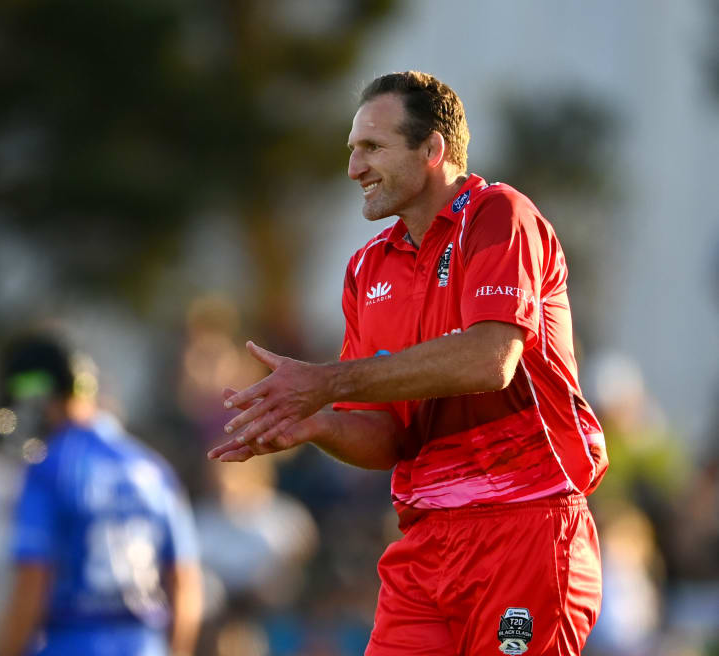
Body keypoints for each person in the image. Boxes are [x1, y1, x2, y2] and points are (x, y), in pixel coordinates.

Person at [208, 71, 609, 656]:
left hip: (527, 524)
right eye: (352, 150)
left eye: (372, 147)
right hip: (425, 545)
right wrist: (318, 422)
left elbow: (490, 358)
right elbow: (389, 436)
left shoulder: (499, 214)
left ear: (432, 150)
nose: (354, 168)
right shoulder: (366, 269)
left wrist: (327, 382)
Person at [0, 333, 202, 656]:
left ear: (41, 397)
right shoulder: (151, 468)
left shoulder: (48, 470)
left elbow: (32, 585)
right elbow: (185, 583)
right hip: (144, 645)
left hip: (70, 642)